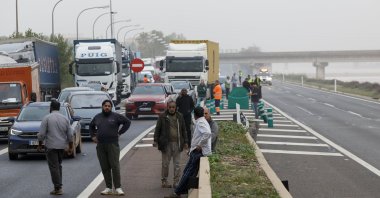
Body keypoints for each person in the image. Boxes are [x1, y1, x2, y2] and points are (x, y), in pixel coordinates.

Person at [167, 107, 211, 197]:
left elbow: (207, 133)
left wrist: (199, 145)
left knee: (188, 172)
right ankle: (181, 190)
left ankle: (177, 192)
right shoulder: (201, 121)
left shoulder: (201, 122)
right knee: (189, 171)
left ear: (194, 115)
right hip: (197, 151)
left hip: (199, 152)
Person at [89, 100, 131, 196]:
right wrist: (93, 136)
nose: (107, 107)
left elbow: (127, 122)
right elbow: (91, 126)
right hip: (101, 145)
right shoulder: (98, 117)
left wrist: (120, 133)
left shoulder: (116, 116)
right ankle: (108, 187)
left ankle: (118, 187)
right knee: (105, 167)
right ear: (102, 106)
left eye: (109, 106)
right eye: (105, 106)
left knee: (115, 166)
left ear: (111, 107)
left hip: (112, 145)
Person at [37, 100, 74, 195]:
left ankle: (58, 187)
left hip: (51, 146)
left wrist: (40, 145)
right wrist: (70, 147)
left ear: (51, 107)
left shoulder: (47, 118)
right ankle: (58, 186)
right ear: (59, 108)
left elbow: (41, 134)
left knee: (54, 167)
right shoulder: (65, 119)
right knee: (58, 165)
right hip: (62, 146)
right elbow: (70, 135)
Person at [153, 101, 188, 189]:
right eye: (170, 107)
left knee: (177, 165)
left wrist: (186, 142)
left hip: (178, 143)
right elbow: (158, 129)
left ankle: (176, 182)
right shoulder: (163, 116)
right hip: (166, 144)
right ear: (167, 107)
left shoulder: (180, 116)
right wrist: (155, 140)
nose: (172, 109)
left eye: (173, 107)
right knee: (165, 164)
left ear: (176, 108)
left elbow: (184, 129)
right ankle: (164, 181)